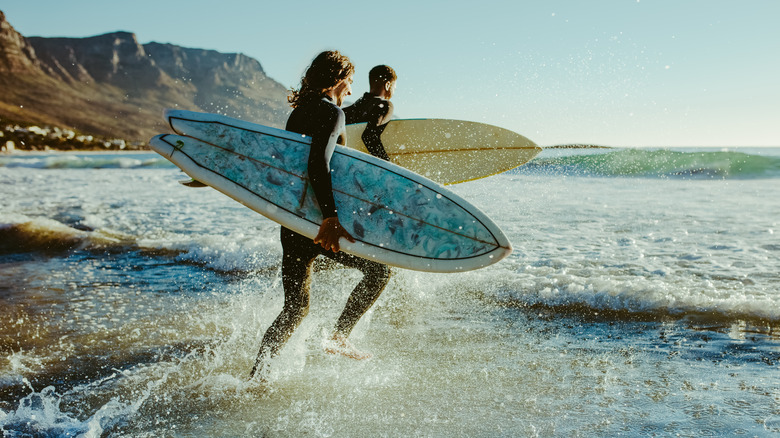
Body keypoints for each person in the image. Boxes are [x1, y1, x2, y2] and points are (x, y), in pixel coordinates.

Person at [250, 51, 391, 379]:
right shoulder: (332, 113)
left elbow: (295, 167)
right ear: (339, 80)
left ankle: (257, 378)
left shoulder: (298, 113)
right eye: (350, 83)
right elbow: (319, 163)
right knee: (380, 272)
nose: (351, 92)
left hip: (294, 221)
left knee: (295, 310)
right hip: (319, 222)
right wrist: (330, 218)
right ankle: (340, 336)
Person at [343, 65, 397, 161]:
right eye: (394, 88)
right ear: (388, 85)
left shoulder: (352, 108)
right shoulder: (385, 105)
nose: (394, 92)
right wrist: (387, 163)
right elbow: (369, 136)